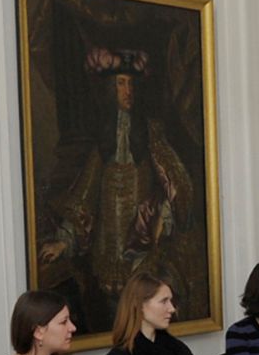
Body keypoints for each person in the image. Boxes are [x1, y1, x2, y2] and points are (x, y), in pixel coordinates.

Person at [35, 48, 195, 332]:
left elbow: (176, 182)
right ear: (110, 89)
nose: (127, 90)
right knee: (116, 325)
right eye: (121, 83)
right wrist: (65, 240)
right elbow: (84, 196)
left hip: (144, 254)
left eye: (131, 83)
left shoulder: (151, 135)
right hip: (107, 255)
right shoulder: (103, 141)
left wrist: (163, 217)